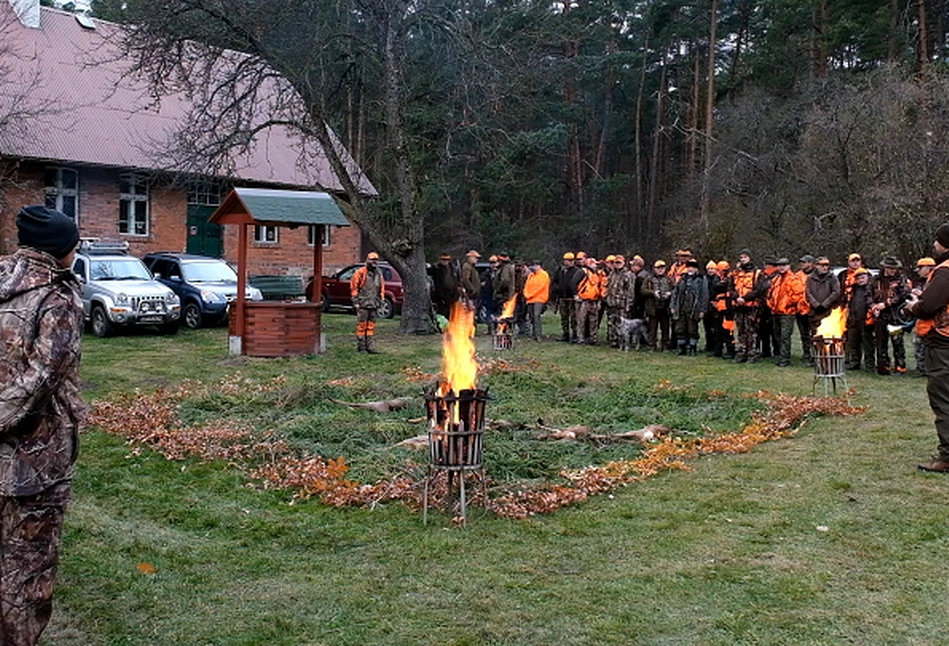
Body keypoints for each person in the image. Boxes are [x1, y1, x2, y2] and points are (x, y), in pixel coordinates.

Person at [0, 205, 83, 645]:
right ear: (63, 249)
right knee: (26, 574)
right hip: (35, 465)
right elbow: (41, 381)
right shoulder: (57, 299)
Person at [906, 223, 949, 471]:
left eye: (937, 240)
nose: (934, 244)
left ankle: (947, 457)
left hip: (943, 343)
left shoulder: (944, 272)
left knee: (943, 399)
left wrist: (913, 305)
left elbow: (929, 306)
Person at [871, 256, 910, 375]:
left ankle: (900, 366)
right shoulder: (875, 279)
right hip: (880, 316)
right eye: (891, 268)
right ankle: (883, 366)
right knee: (881, 342)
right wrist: (873, 306)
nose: (893, 270)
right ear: (885, 267)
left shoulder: (901, 279)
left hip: (895, 315)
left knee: (897, 341)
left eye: (895, 268)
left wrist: (886, 304)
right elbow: (868, 294)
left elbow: (903, 294)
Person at [728, 249, 768, 363]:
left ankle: (752, 354)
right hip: (739, 307)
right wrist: (736, 298)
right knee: (740, 331)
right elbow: (730, 288)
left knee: (752, 331)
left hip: (752, 307)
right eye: (741, 257)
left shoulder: (758, 273)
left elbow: (759, 290)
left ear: (750, 258)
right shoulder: (735, 273)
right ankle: (741, 352)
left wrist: (745, 298)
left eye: (745, 257)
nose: (742, 259)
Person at [766, 258, 806, 367]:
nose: (782, 267)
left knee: (785, 336)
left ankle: (785, 358)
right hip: (776, 312)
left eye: (784, 265)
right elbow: (770, 294)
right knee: (777, 336)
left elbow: (798, 295)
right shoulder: (776, 279)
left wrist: (787, 303)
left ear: (789, 266)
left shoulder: (794, 279)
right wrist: (771, 304)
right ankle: (780, 356)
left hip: (787, 313)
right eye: (780, 265)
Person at [670, 259, 708, 355]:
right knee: (680, 328)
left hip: (694, 309)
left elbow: (704, 296)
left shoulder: (701, 280)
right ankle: (682, 348)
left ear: (696, 269)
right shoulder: (682, 279)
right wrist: (673, 306)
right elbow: (675, 293)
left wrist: (702, 310)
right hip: (681, 308)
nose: (690, 269)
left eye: (693, 267)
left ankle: (692, 348)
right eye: (689, 267)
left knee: (692, 329)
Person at [352, 252, 385, 353]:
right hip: (363, 304)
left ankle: (369, 347)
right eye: (372, 259)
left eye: (375, 259)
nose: (374, 261)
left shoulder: (379, 274)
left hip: (374, 304)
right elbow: (354, 288)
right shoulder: (360, 273)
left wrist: (381, 301)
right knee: (362, 326)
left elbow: (382, 288)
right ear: (367, 260)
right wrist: (356, 302)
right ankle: (361, 347)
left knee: (371, 326)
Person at [844, 268, 875, 371]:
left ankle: (869, 364)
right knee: (853, 343)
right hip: (854, 319)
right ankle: (855, 363)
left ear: (867, 277)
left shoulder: (872, 289)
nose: (861, 280)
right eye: (858, 278)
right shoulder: (853, 289)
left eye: (863, 277)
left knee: (868, 344)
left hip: (867, 320)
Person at [642, 260, 673, 351]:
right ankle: (651, 345)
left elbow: (676, 290)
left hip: (665, 308)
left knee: (665, 329)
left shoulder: (669, 279)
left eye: (662, 268)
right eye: (658, 268)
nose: (660, 270)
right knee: (652, 329)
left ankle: (665, 346)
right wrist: (653, 293)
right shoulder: (649, 279)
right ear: (654, 269)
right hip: (653, 308)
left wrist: (669, 293)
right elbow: (642, 291)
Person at [913, 257, 936, 376]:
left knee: (930, 347)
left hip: (933, 323)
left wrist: (921, 296)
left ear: (928, 268)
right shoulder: (921, 282)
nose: (918, 271)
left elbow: (933, 301)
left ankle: (928, 369)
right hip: (922, 320)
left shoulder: (936, 282)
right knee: (919, 344)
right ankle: (922, 368)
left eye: (920, 268)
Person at [806, 256, 841, 335]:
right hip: (814, 312)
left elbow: (836, 292)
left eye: (826, 265)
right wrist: (816, 305)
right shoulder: (810, 278)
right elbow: (808, 293)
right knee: (815, 336)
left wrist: (825, 304)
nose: (824, 267)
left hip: (828, 312)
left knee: (829, 337)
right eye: (822, 265)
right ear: (816, 266)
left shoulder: (833, 278)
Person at [552, 252, 580, 342]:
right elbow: (554, 281)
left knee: (574, 318)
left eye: (571, 260)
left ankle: (575, 335)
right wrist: (558, 289)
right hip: (562, 297)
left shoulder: (577, 271)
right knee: (564, 317)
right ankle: (565, 334)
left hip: (572, 298)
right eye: (567, 260)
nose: (569, 262)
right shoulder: (560, 270)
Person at [575, 256, 603, 345]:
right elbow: (573, 282)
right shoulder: (582, 272)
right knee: (581, 320)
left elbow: (598, 287)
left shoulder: (597, 274)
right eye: (594, 264)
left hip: (594, 300)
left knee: (593, 320)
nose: (596, 266)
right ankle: (580, 339)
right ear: (589, 264)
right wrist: (576, 295)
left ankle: (593, 339)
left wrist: (599, 300)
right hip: (583, 300)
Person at [795, 254, 816, 365]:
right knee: (804, 334)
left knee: (814, 334)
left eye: (804, 262)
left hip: (813, 309)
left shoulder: (816, 275)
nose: (802, 264)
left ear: (811, 263)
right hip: (800, 310)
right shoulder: (797, 275)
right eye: (801, 262)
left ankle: (815, 355)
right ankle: (806, 354)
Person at [523, 260, 550, 341]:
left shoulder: (544, 275)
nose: (534, 267)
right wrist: (526, 294)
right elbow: (526, 286)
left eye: (536, 265)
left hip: (539, 299)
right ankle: (534, 334)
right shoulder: (530, 275)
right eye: (533, 265)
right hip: (530, 300)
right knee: (531, 317)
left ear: (540, 266)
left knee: (536, 315)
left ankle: (538, 335)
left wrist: (530, 294)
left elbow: (540, 287)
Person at [431, 254, 459, 319]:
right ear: (440, 260)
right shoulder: (436, 269)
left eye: (447, 260)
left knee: (453, 312)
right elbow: (428, 271)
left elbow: (457, 280)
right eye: (443, 260)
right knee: (442, 312)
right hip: (441, 295)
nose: (445, 261)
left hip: (452, 294)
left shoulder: (453, 269)